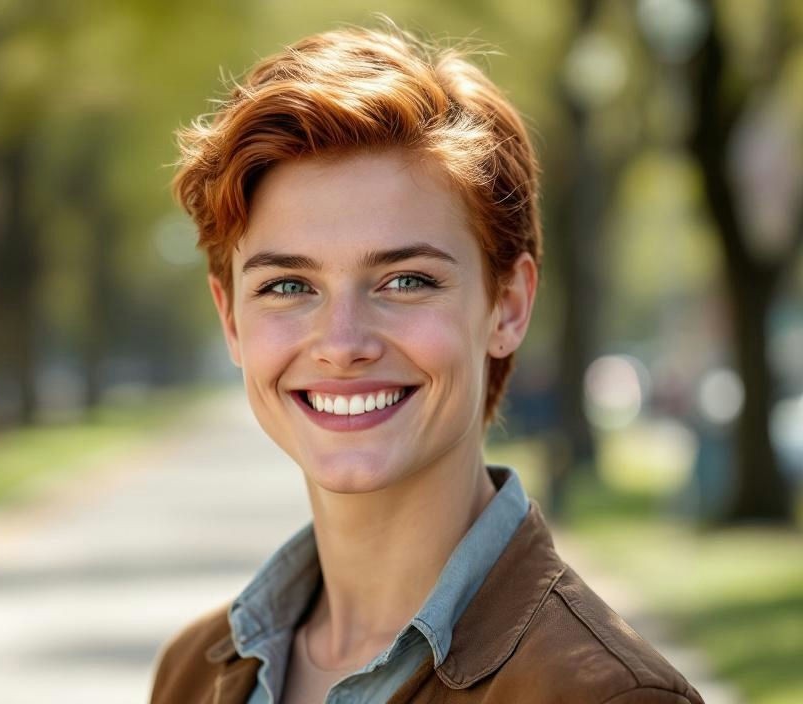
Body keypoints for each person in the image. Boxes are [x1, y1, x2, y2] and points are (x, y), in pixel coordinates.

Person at [148, 23, 705, 704]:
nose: (342, 342)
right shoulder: (192, 674)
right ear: (231, 318)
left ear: (507, 306)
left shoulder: (604, 694)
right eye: (288, 286)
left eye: (406, 280)